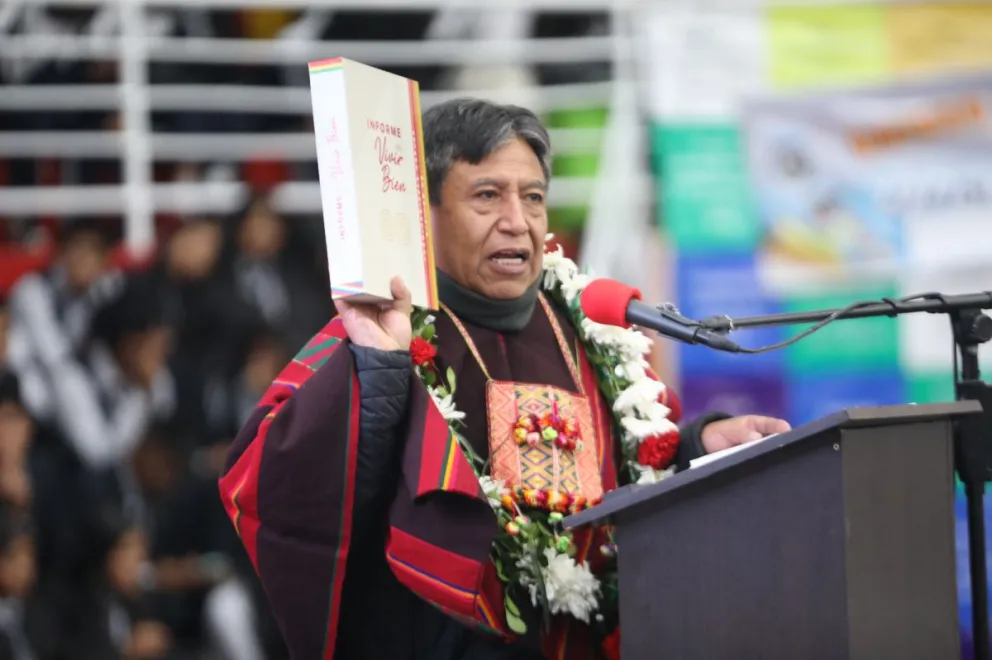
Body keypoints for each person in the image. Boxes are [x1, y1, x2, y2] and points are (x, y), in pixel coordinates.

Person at [219, 98, 791, 660]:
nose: (517, 222)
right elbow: (279, 492)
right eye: (487, 196)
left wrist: (699, 445)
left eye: (533, 197)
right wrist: (380, 374)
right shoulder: (383, 328)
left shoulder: (586, 327)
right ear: (426, 214)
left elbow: (631, 474)